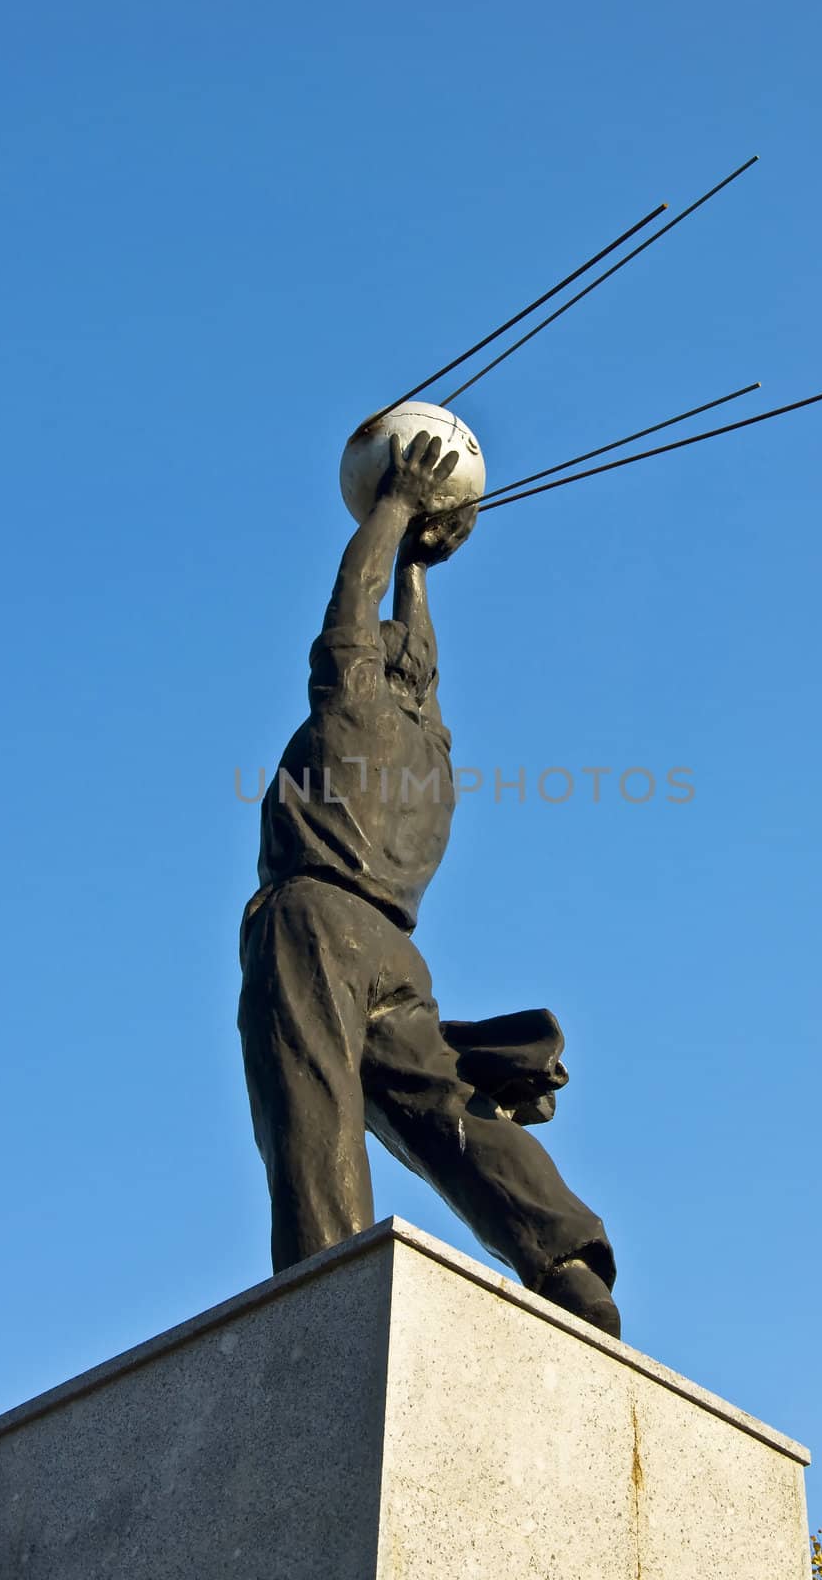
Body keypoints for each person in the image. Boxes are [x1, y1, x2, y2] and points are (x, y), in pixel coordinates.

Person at [238, 430, 620, 1335]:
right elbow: (421, 663)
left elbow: (348, 600)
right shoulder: (432, 757)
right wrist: (419, 570)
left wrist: (396, 508)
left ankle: (321, 1284)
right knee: (442, 1105)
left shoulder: (352, 702)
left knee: (311, 1102)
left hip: (315, 921)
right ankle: (562, 1256)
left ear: (372, 664)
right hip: (394, 955)